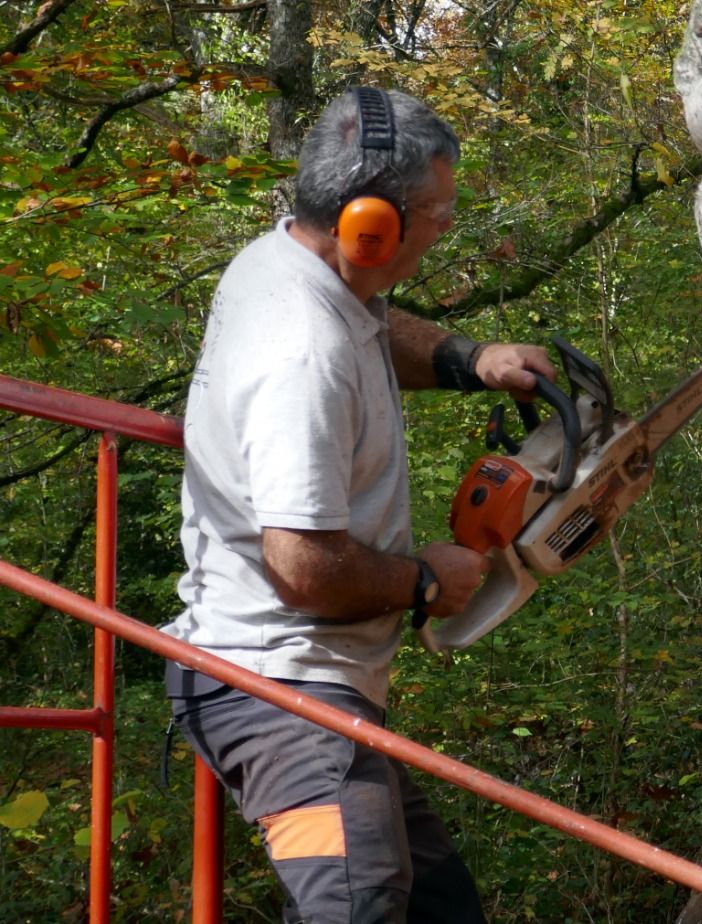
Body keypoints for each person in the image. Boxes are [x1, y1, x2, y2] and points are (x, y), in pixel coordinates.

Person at [160, 87, 553, 923]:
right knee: (360, 904)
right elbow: (299, 567)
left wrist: (468, 358)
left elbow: (369, 319)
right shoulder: (300, 355)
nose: (447, 230)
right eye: (438, 214)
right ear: (372, 224)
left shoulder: (290, 264)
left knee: (438, 911)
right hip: (272, 692)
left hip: (303, 681)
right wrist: (424, 581)